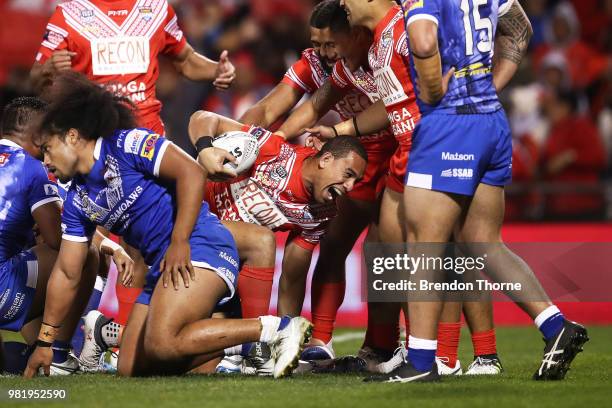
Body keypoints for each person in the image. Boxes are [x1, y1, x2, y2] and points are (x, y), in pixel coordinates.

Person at [23, 72, 311, 378]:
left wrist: (179, 241)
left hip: (199, 244)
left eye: (47, 149)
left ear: (72, 136)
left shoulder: (127, 144)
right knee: (130, 369)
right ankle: (227, 350)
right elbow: (68, 272)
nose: (46, 162)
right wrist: (46, 341)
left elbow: (192, 173)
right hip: (161, 266)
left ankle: (276, 329)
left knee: (162, 344)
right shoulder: (78, 200)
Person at [364, 0, 588, 382]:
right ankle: (555, 326)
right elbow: (520, 29)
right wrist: (490, 85)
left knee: (423, 245)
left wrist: (433, 91)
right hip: (490, 121)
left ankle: (420, 362)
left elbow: (421, 41)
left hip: (450, 123)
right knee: (483, 242)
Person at [30, 0, 237, 335]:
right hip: (89, 144)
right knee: (86, 244)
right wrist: (47, 68)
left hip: (143, 141)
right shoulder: (70, 13)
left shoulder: (155, 9)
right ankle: (75, 336)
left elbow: (184, 59)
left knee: (137, 245)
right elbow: (35, 77)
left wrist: (215, 69)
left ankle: (122, 333)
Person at [241, 0, 399, 365]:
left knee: (387, 253)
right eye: (317, 43)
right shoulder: (317, 64)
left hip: (397, 154)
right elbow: (271, 108)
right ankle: (322, 341)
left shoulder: (379, 55)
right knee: (332, 246)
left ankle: (386, 345)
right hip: (352, 160)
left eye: (331, 44)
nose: (323, 53)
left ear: (353, 35)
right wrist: (255, 141)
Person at [189, 110, 367, 324]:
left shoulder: (321, 214)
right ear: (326, 159)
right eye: (348, 175)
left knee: (217, 330)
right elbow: (203, 118)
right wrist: (205, 148)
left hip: (221, 258)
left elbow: (293, 279)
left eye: (356, 182)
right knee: (262, 240)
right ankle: (252, 340)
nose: (349, 187)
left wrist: (287, 331)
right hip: (189, 219)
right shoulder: (274, 152)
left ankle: (251, 341)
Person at [0, 96, 107, 375]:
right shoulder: (30, 166)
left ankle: (35, 351)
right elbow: (58, 240)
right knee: (83, 253)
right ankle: (58, 353)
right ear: (37, 135)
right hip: (2, 290)